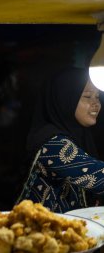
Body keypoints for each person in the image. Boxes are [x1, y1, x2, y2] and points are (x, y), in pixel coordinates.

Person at [16, 67, 103, 213]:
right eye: (87, 96)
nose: (96, 103)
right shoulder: (52, 144)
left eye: (97, 96)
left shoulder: (82, 136)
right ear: (65, 98)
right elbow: (98, 176)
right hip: (40, 231)